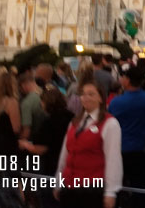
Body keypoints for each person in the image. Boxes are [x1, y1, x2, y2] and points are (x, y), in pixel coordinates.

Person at [55, 80, 123, 208]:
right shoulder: (74, 123)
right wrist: (58, 181)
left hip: (91, 189)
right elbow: (65, 154)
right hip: (69, 187)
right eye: (83, 94)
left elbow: (113, 160)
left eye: (91, 94)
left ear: (101, 98)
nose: (86, 97)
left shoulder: (110, 124)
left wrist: (110, 192)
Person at [108, 66, 145, 208]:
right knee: (141, 188)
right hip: (141, 148)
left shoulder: (116, 102)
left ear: (127, 80)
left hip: (121, 149)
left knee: (117, 186)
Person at [19, 89, 73, 208]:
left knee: (50, 200)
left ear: (47, 103)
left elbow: (40, 149)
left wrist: (25, 144)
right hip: (70, 166)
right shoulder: (72, 117)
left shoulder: (49, 123)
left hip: (52, 167)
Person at [19, 72, 47, 141]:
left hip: (35, 141)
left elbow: (26, 132)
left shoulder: (26, 102)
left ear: (23, 85)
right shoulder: (47, 94)